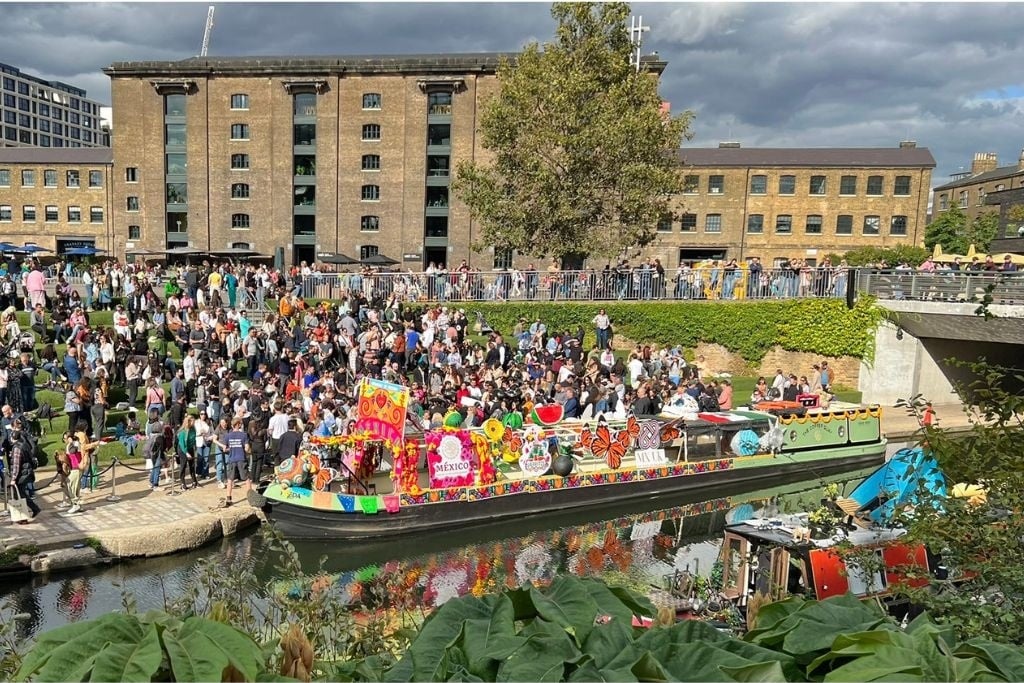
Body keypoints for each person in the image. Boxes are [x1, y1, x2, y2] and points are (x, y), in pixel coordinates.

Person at [8, 420, 40, 522]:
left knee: (19, 494)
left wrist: (13, 479)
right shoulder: (24, 445)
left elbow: (16, 465)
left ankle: (23, 516)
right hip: (27, 472)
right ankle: (34, 509)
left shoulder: (16, 449)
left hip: (22, 474)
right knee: (21, 493)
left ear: (13, 438)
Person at [223, 418, 251, 506]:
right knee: (246, 478)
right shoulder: (244, 435)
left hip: (231, 459)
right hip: (241, 459)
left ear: (232, 425)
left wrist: (231, 448)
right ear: (239, 425)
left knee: (230, 479)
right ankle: (250, 497)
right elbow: (247, 449)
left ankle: (228, 499)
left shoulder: (228, 436)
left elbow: (224, 449)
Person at [176, 414, 199, 491]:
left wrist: (194, 447)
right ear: (188, 422)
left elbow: (193, 439)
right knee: (183, 465)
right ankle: (182, 483)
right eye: (193, 422)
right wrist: (186, 453)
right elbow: (182, 444)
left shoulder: (193, 429)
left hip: (190, 448)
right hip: (183, 450)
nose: (194, 423)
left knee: (192, 465)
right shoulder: (183, 432)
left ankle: (194, 482)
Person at [145, 411, 165, 491]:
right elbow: (162, 448)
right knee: (157, 467)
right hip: (157, 453)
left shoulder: (150, 430)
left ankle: (151, 481)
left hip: (151, 451)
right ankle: (155, 484)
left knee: (154, 467)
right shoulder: (159, 437)